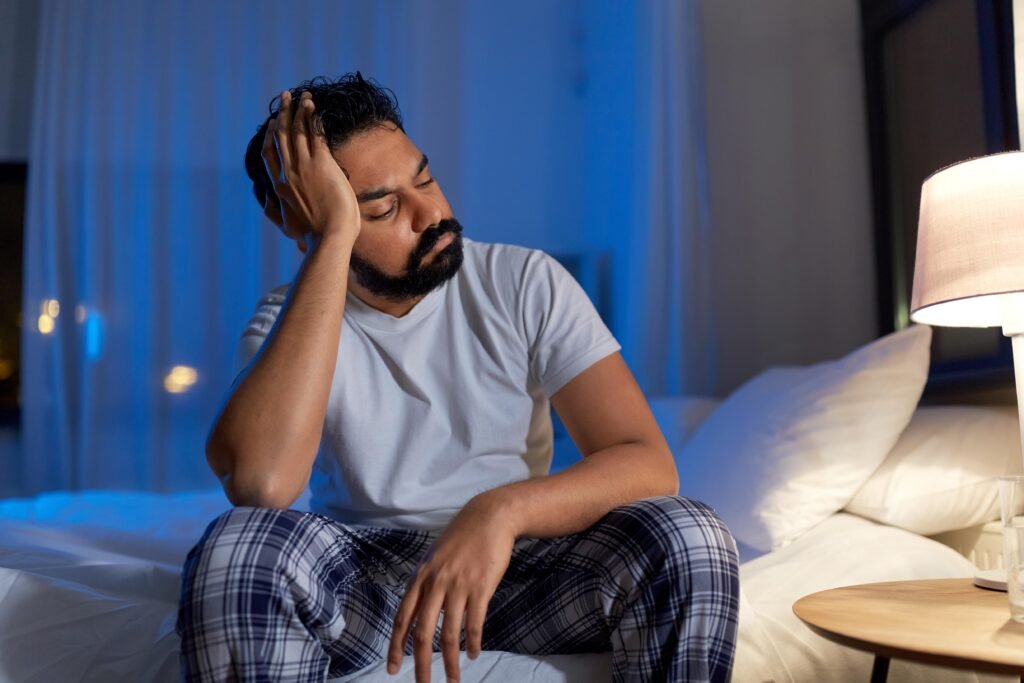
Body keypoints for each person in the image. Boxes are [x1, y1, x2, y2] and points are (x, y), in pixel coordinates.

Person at [176, 72, 739, 683]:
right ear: (302, 220)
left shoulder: (525, 281)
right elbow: (261, 486)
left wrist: (498, 512)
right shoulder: (293, 319)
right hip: (372, 584)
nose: (433, 214)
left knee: (692, 535)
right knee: (236, 550)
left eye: (426, 178)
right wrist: (332, 240)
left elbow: (647, 462)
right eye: (384, 207)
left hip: (518, 571)